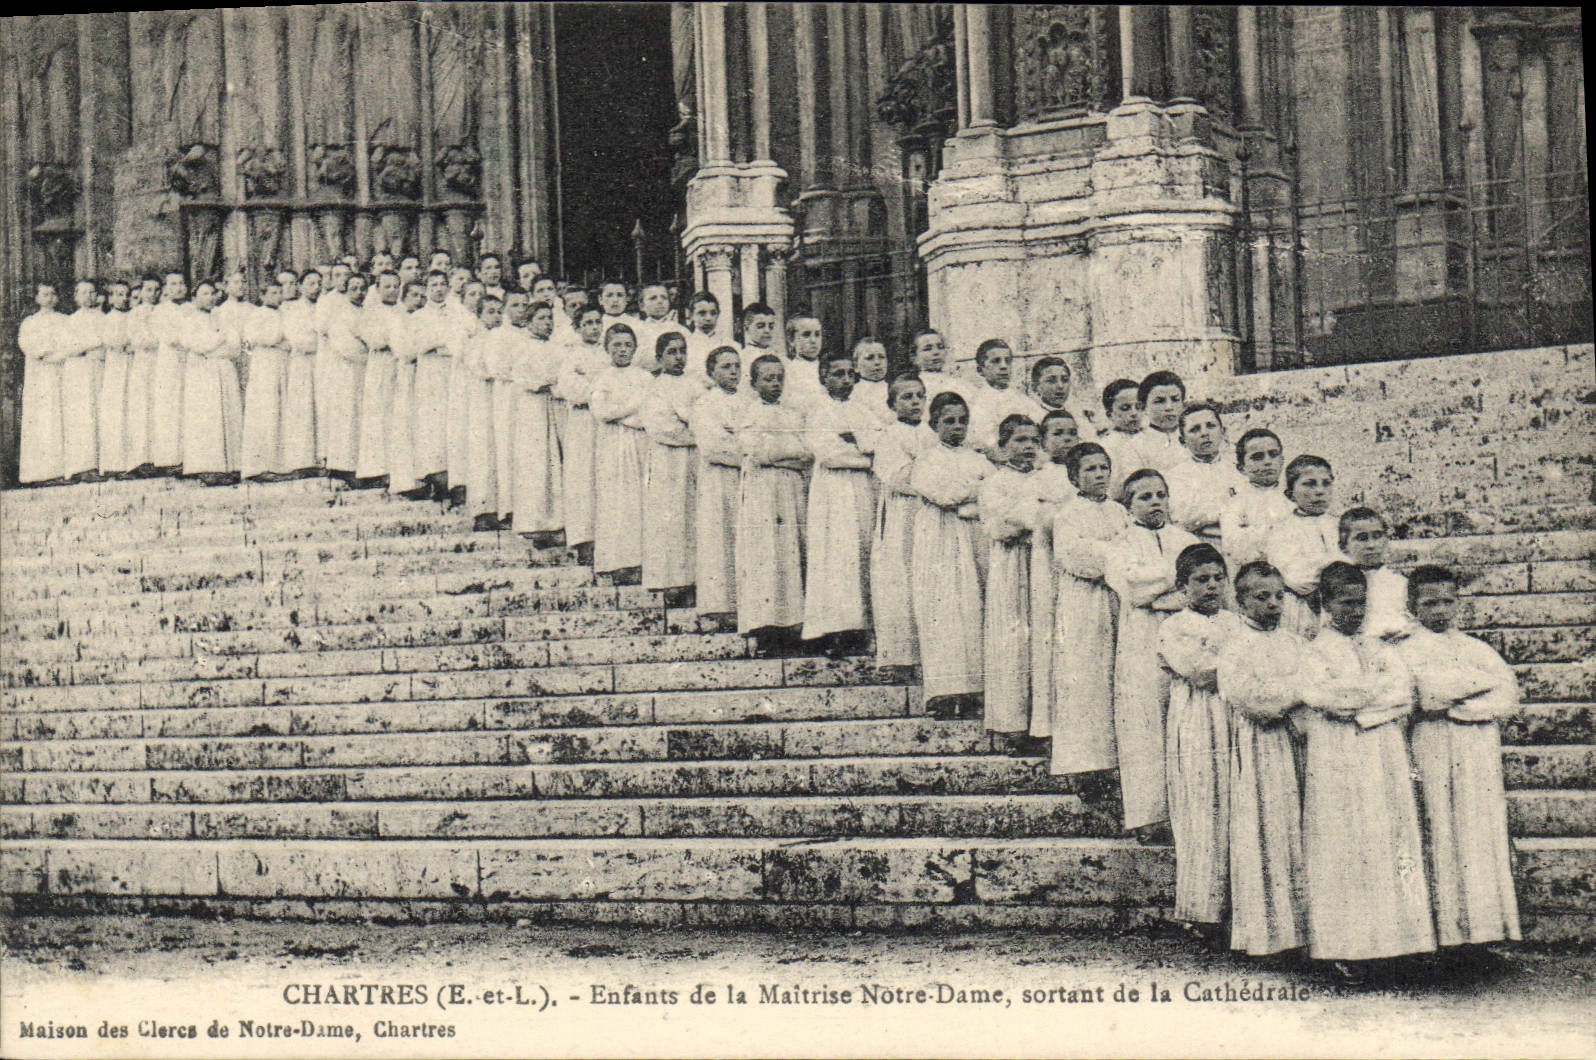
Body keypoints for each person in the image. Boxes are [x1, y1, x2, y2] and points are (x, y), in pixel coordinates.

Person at [1299, 562, 1435, 980]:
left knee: (1389, 834)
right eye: (1345, 602)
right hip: (1337, 755)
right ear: (1325, 603)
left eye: (1361, 602)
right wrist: (1366, 699)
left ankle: (1399, 944)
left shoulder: (1380, 647)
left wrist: (1362, 704)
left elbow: (1401, 694)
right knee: (1346, 840)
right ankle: (1345, 946)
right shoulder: (1313, 650)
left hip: (1382, 751)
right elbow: (1324, 697)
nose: (1355, 611)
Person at [1398, 565, 1522, 954]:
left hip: (1475, 751)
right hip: (1430, 746)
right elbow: (1423, 696)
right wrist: (1470, 688)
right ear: (1411, 606)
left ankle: (1479, 935)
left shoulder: (1475, 649)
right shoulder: (1403, 650)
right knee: (1437, 827)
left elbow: (1506, 697)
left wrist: (1459, 707)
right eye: (1429, 603)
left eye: (1447, 601)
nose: (1439, 610)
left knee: (1475, 833)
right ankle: (1440, 937)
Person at [1217, 560, 1310, 958]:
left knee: (1302, 829)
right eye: (1262, 597)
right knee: (1268, 828)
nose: (1273, 604)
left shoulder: (1296, 642)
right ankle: (1271, 935)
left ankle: (1308, 931)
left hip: (1300, 745)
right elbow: (1251, 699)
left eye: (1278, 596)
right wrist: (1294, 695)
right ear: (1241, 603)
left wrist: (1294, 694)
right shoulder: (1236, 647)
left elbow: (1316, 682)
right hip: (1262, 747)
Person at [1103, 468, 1199, 842]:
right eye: (1145, 497)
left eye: (1160, 494)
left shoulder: (1186, 540)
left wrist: (1159, 587)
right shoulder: (1120, 544)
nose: (1155, 502)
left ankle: (1189, 812)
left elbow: (1199, 587)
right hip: (1141, 642)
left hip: (1185, 637)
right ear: (1128, 506)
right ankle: (1149, 815)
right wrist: (1176, 581)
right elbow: (1132, 588)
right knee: (1142, 724)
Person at [1158, 543, 1243, 941]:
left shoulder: (1237, 623)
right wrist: (1230, 664)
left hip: (1234, 718)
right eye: (1201, 580)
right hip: (1196, 721)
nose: (1211, 587)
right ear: (1182, 587)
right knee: (1201, 804)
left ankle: (1240, 906)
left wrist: (1223, 661)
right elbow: (1197, 671)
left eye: (1217, 579)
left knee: (1236, 803)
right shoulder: (1174, 626)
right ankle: (1201, 908)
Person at [1049, 442, 1129, 777]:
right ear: (1073, 478)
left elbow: (1132, 547)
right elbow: (1075, 556)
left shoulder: (1120, 512)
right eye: (1090, 470)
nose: (1099, 475)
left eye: (1103, 468)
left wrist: (1112, 553)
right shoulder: (1068, 514)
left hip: (1116, 599)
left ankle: (1117, 759)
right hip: (1084, 602)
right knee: (1086, 677)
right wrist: (1113, 553)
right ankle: (1085, 763)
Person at [910, 391, 989, 719]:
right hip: (938, 540)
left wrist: (967, 491)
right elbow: (942, 494)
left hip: (972, 540)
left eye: (962, 421)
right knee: (942, 611)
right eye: (949, 421)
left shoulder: (979, 459)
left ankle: (973, 690)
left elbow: (993, 491)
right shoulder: (927, 460)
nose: (957, 427)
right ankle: (942, 691)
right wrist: (973, 489)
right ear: (933, 424)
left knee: (972, 608)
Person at [801, 350, 879, 656]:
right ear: (823, 377)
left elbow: (880, 445)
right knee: (836, 558)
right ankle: (835, 630)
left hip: (862, 492)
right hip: (832, 495)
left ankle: (862, 628)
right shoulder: (818, 411)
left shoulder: (864, 410)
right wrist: (862, 451)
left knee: (862, 552)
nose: (846, 380)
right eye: (838, 374)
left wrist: (855, 442)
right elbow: (830, 454)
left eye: (850, 374)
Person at [978, 415, 1048, 752]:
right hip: (1012, 567)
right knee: (1012, 642)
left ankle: (1044, 722)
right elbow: (999, 528)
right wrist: (1028, 518)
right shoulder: (995, 483)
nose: (1028, 447)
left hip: (1043, 566)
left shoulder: (1048, 479)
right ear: (1003, 447)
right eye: (1020, 440)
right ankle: (1012, 724)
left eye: (1034, 440)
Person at [735, 354, 811, 655]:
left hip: (791, 491)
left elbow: (807, 452)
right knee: (765, 554)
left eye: (779, 377)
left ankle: (793, 625)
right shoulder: (748, 414)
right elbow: (757, 451)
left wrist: (781, 451)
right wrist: (787, 452)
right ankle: (766, 627)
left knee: (791, 552)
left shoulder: (794, 415)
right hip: (761, 493)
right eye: (768, 378)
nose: (775, 383)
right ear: (753, 383)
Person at [1021, 409, 1081, 755]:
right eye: (1057, 433)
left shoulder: (1085, 471)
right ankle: (1045, 725)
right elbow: (1036, 518)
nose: (1066, 439)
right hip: (1047, 568)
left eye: (1072, 433)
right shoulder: (1038, 478)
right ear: (1043, 441)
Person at [870, 374, 933, 668]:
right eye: (907, 397)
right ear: (892, 404)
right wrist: (929, 473)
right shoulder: (889, 436)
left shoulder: (932, 435)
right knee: (901, 577)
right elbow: (897, 477)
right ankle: (901, 655)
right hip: (903, 514)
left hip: (929, 511)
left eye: (920, 396)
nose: (915, 402)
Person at [641, 331, 699, 604]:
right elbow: (662, 427)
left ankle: (697, 580)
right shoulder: (655, 388)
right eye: (672, 352)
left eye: (682, 351)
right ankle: (672, 583)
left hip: (697, 462)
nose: (678, 357)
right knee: (670, 519)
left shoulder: (697, 386)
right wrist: (693, 432)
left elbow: (706, 417)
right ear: (659, 357)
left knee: (695, 518)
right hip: (668, 462)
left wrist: (693, 427)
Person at [590, 323, 652, 582]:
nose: (623, 350)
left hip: (641, 444)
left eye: (628, 345)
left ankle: (642, 561)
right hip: (612, 446)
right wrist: (632, 408)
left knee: (641, 499)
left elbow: (648, 414)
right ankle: (618, 562)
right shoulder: (602, 378)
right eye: (617, 345)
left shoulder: (645, 378)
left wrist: (622, 412)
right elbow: (602, 411)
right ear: (606, 348)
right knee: (617, 500)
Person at [689, 346, 747, 620]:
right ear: (711, 372)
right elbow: (713, 446)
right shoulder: (704, 404)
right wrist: (745, 449)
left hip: (748, 480)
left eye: (736, 365)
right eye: (726, 366)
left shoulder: (750, 401)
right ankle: (720, 605)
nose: (733, 371)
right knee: (720, 536)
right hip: (719, 480)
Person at [554, 305, 609, 559]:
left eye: (597, 322)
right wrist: (597, 391)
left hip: (606, 424)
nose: (594, 328)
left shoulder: (609, 355)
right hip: (582, 422)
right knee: (582, 478)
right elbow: (570, 388)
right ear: (577, 328)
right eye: (588, 323)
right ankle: (584, 540)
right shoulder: (571, 357)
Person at [1265, 455, 1340, 637]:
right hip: (1303, 608)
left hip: (1340, 604)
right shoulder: (1283, 529)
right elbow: (1295, 576)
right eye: (1310, 484)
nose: (1319, 491)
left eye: (1326, 483)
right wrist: (1336, 566)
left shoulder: (1340, 526)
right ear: (1290, 493)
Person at [177, 279, 244, 485]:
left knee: (229, 413)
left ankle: (232, 465)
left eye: (212, 293)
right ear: (195, 297)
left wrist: (215, 347)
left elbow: (235, 348)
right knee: (207, 417)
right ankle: (207, 467)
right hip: (202, 373)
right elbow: (196, 344)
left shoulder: (223, 317)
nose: (209, 297)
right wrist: (219, 340)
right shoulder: (189, 320)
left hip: (224, 370)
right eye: (204, 293)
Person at [513, 300, 565, 543]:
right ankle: (533, 522)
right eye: (541, 318)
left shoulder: (556, 347)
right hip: (533, 409)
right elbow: (527, 377)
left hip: (554, 407)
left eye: (550, 318)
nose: (547, 323)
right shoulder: (523, 347)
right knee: (536, 461)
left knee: (556, 461)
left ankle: (556, 522)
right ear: (529, 322)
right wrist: (551, 380)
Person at [1164, 402, 1243, 546]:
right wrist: (1229, 505)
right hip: (1201, 546)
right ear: (1183, 441)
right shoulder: (1176, 476)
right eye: (1195, 429)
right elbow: (1183, 518)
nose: (1204, 433)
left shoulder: (1239, 469)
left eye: (1211, 426)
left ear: (1223, 432)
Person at [239, 275, 291, 481]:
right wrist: (277, 340)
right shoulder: (257, 314)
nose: (277, 297)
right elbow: (259, 338)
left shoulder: (284, 313)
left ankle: (280, 464)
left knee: (281, 410)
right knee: (265, 411)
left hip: (281, 365)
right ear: (262, 296)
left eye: (279, 293)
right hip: (264, 367)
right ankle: (260, 465)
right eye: (272, 293)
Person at [412, 270, 458, 497]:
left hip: (452, 374)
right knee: (433, 425)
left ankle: (454, 479)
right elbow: (420, 344)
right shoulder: (418, 317)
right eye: (434, 285)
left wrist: (441, 344)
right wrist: (442, 342)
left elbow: (462, 341)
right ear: (426, 289)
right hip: (430, 377)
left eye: (443, 284)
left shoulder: (457, 313)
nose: (439, 289)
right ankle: (436, 479)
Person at [459, 293, 503, 527]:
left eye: (499, 312)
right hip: (482, 401)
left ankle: (501, 508)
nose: (496, 317)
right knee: (483, 454)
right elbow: (480, 368)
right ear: (479, 315)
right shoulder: (476, 340)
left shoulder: (503, 337)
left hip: (501, 401)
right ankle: (483, 511)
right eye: (490, 312)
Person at [1219, 427, 1293, 568]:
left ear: (1282, 460)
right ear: (1241, 468)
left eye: (1273, 454)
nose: (1267, 462)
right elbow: (1234, 547)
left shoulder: (1293, 499)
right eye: (1257, 457)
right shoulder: (1234, 503)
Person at [354, 270, 402, 487]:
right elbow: (374, 340)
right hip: (381, 365)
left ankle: (398, 467)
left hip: (400, 366)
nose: (392, 291)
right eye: (387, 286)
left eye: (395, 286)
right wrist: (392, 338)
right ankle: (377, 470)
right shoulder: (371, 313)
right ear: (378, 288)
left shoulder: (404, 311)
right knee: (379, 415)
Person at [18, 282, 68, 485]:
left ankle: (59, 471)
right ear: (37, 298)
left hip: (59, 374)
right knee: (40, 421)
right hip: (39, 378)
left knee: (59, 419)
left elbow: (69, 344)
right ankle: (37, 473)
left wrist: (57, 355)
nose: (49, 298)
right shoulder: (29, 323)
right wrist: (45, 352)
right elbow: (29, 346)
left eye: (53, 293)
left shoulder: (64, 321)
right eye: (45, 294)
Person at [966, 339, 1044, 461]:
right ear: (980, 370)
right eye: (996, 361)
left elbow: (1042, 425)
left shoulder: (1023, 400)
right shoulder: (977, 403)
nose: (1003, 366)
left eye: (1007, 361)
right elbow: (980, 440)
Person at [1339, 507, 1409, 640]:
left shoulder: (1401, 583)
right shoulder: (1341, 584)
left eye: (1377, 536)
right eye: (1362, 538)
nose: (1371, 545)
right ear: (1344, 546)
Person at [59, 280, 105, 480]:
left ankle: (101, 465)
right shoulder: (71, 321)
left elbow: (107, 343)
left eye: (92, 292)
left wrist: (93, 347)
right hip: (79, 373)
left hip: (99, 370)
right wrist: (92, 343)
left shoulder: (103, 318)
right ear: (76, 296)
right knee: (82, 417)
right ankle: (82, 467)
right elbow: (71, 348)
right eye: (83, 292)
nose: (88, 296)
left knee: (100, 414)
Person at [386, 279, 427, 497]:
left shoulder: (424, 318)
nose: (419, 301)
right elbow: (404, 350)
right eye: (414, 296)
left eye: (423, 296)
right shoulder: (397, 320)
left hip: (426, 376)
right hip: (407, 375)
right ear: (404, 297)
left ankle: (424, 479)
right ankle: (405, 482)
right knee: (405, 426)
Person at [278, 269, 321, 477]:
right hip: (303, 364)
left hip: (321, 364)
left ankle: (321, 459)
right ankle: (301, 461)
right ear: (301, 286)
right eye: (311, 283)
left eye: (319, 283)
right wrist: (321, 343)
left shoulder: (323, 307)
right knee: (302, 410)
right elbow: (298, 338)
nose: (316, 288)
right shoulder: (293, 309)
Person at [148, 271, 191, 472]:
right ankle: (170, 459)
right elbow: (169, 336)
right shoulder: (160, 311)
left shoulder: (191, 308)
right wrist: (190, 339)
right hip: (170, 362)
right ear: (166, 288)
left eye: (181, 283)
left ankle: (189, 457)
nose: (178, 287)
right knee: (170, 408)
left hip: (190, 361)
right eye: (173, 284)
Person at [123, 275, 162, 475]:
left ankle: (161, 457)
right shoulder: (136, 314)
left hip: (162, 365)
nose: (153, 294)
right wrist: (159, 340)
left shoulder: (164, 312)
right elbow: (139, 339)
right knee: (143, 409)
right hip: (144, 364)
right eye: (149, 289)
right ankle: (143, 459)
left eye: (157, 289)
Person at [96, 280, 134, 478]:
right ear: (110, 298)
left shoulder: (132, 317)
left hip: (131, 368)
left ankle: (130, 464)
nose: (124, 298)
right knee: (115, 414)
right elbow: (113, 341)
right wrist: (128, 342)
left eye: (126, 294)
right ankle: (114, 465)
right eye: (119, 294)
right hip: (115, 369)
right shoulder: (107, 319)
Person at [1126, 369, 1186, 474]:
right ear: (1143, 407)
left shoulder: (1195, 435)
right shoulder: (1135, 446)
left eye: (1175, 399)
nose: (1169, 407)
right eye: (1159, 401)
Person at [1030, 357, 1098, 442]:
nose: (1060, 386)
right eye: (1051, 381)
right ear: (1035, 387)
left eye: (1065, 380)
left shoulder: (1079, 417)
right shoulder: (1034, 419)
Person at [1096, 378, 1143, 495]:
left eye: (1138, 407)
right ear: (1110, 414)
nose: (1134, 413)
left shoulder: (1150, 437)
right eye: (1125, 408)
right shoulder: (1109, 445)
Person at [907, 328, 973, 406]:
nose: (936, 352)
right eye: (927, 349)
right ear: (914, 357)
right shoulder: (915, 386)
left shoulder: (958, 381)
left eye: (940, 347)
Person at [781, 314, 827, 414]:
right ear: (791, 340)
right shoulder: (789, 371)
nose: (813, 340)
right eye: (806, 335)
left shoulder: (828, 368)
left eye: (817, 334)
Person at [630, 283, 677, 373]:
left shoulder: (679, 329)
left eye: (664, 297)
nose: (660, 301)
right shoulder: (637, 330)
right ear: (642, 305)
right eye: (653, 298)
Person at [682, 291, 724, 382]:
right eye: (702, 313)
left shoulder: (729, 344)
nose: (708, 318)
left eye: (713, 313)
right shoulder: (685, 346)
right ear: (691, 315)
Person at [849, 337, 892, 423]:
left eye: (881, 357)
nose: (877, 362)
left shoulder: (893, 390)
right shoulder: (854, 394)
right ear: (856, 366)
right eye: (869, 358)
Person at [737, 302, 779, 385]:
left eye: (771, 326)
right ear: (746, 327)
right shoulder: (742, 359)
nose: (767, 330)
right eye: (760, 326)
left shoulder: (778, 356)